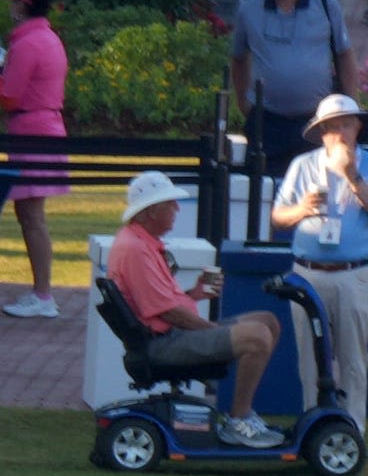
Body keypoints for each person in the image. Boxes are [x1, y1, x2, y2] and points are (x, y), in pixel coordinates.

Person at [99, 166, 283, 443]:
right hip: (163, 342)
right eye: (170, 204)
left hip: (168, 333)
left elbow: (161, 303)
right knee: (257, 336)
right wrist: (212, 332)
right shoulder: (136, 250)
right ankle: (238, 419)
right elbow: (170, 314)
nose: (176, 208)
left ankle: (242, 415)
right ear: (151, 211)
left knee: (268, 321)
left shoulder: (143, 243)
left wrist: (195, 294)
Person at [272, 88, 368, 415]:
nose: (339, 132)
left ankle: (352, 429)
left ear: (357, 126)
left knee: (353, 358)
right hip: (308, 273)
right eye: (331, 126)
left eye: (345, 124)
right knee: (310, 360)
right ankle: (314, 425)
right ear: (321, 134)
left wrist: (352, 177)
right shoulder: (302, 166)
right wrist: (301, 209)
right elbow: (278, 217)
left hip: (355, 274)